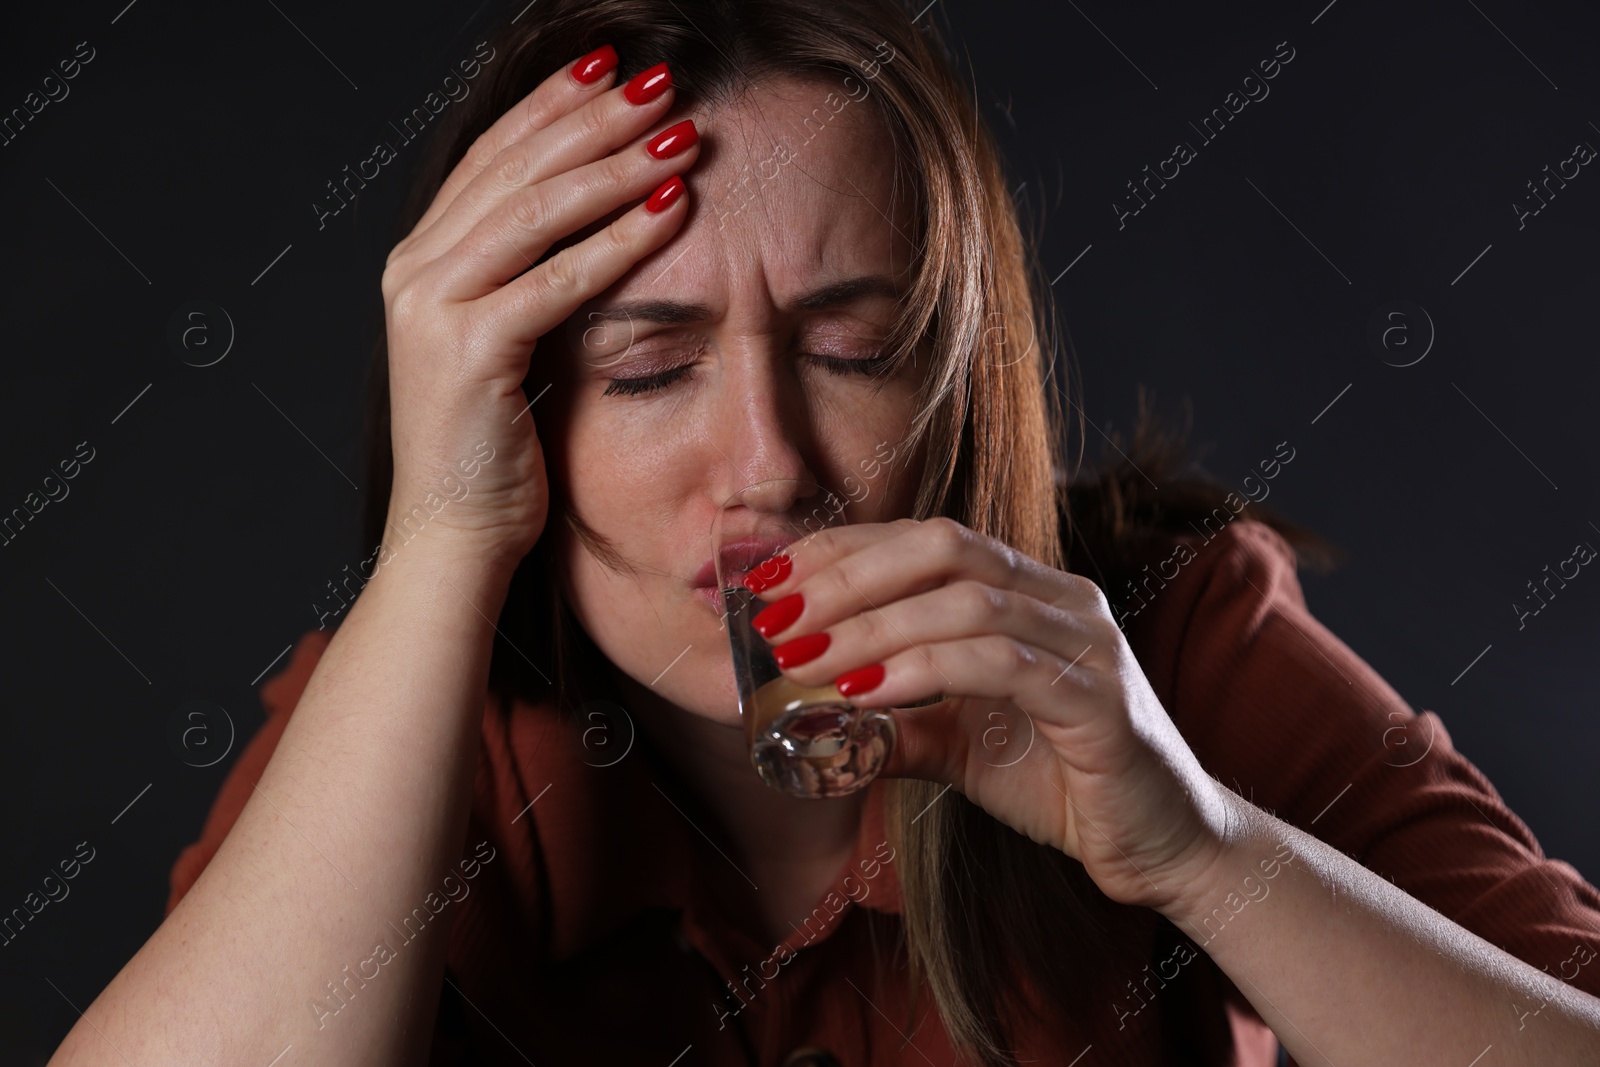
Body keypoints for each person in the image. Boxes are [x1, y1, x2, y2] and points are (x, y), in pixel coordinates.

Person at [49, 1, 1600, 1064]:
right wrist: (446, 536)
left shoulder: (1161, 629)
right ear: (516, 407)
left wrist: (1203, 854)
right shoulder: (418, 712)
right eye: (647, 370)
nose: (770, 465)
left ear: (956, 378)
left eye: (854, 350)